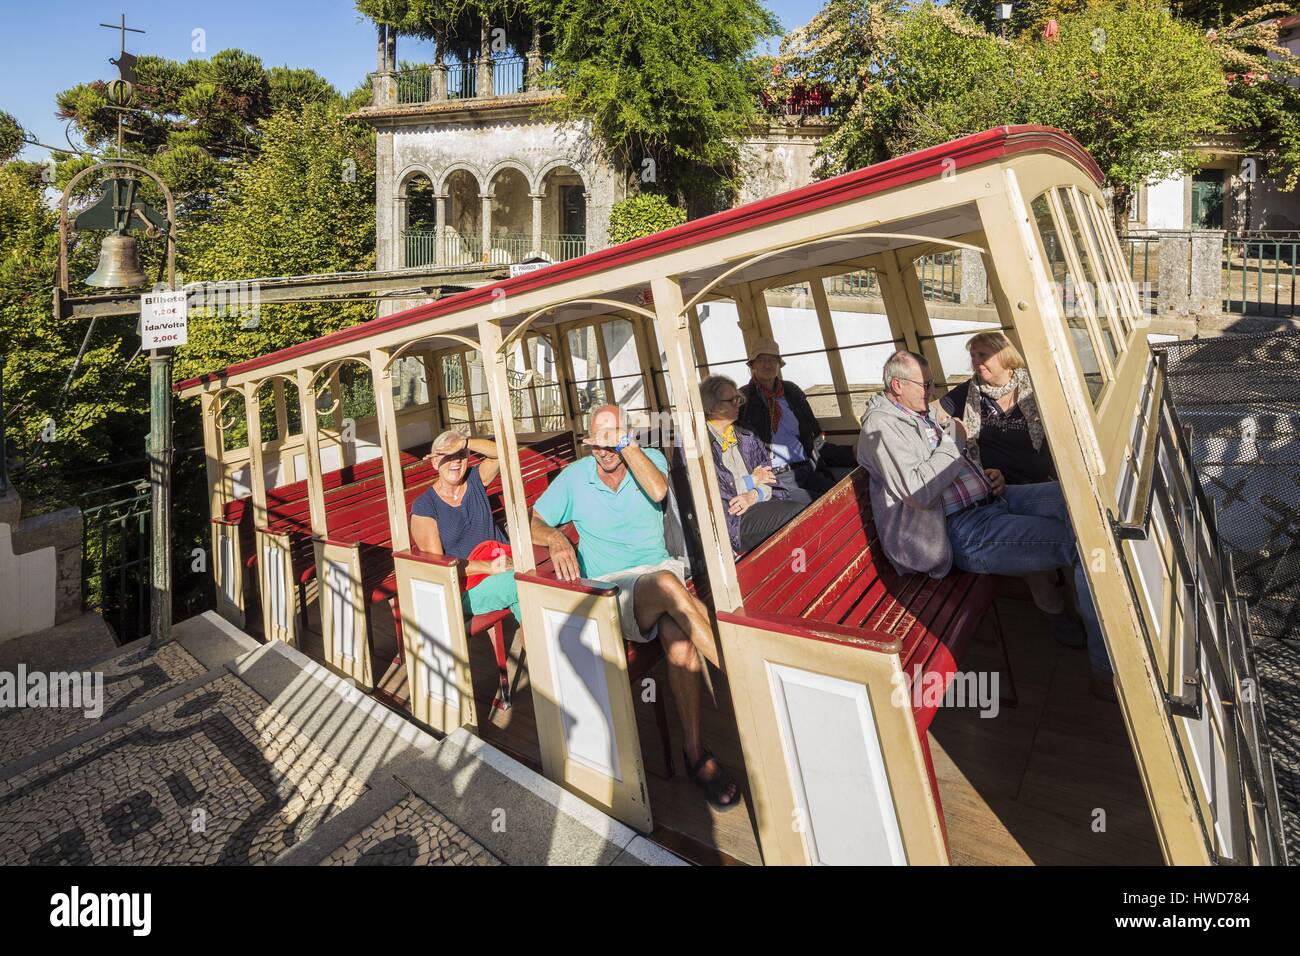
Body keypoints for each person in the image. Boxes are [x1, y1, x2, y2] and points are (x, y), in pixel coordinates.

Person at [856, 351, 1115, 700]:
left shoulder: (915, 412)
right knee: (1083, 545)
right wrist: (955, 442)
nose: (931, 392)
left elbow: (947, 465)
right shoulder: (882, 428)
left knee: (1077, 498)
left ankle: (1096, 615)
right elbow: (920, 490)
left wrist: (985, 476)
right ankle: (1106, 668)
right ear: (898, 385)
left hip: (991, 500)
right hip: (961, 531)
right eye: (925, 384)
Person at [530, 405, 741, 808]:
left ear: (626, 437)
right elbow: (534, 520)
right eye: (596, 442)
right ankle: (743, 683)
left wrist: (626, 445)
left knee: (677, 635)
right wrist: (555, 539)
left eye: (612, 440)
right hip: (615, 591)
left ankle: (695, 753)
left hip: (659, 576)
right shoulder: (574, 479)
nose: (603, 450)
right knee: (666, 586)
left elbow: (659, 491)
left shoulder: (651, 459)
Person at [410, 429, 520, 622]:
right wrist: (489, 567)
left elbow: (504, 452)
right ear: (435, 463)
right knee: (524, 585)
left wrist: (465, 442)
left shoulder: (475, 480)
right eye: (448, 457)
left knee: (530, 594)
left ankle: (537, 647)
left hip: (502, 566)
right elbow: (440, 567)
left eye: (460, 455)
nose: (455, 462)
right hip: (466, 587)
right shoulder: (425, 506)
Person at [738, 337, 854, 505]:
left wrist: (853, 453)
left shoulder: (792, 392)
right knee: (819, 507)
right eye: (762, 360)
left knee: (845, 498)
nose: (767, 365)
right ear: (752, 365)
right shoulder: (743, 399)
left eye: (772, 360)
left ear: (779, 364)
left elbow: (814, 440)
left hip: (807, 469)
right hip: (775, 478)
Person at [700, 374, 805, 553]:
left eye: (738, 399)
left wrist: (754, 494)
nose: (738, 404)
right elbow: (717, 493)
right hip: (733, 519)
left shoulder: (746, 434)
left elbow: (769, 479)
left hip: (758, 503)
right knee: (798, 514)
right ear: (712, 406)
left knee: (809, 506)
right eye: (731, 400)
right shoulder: (701, 444)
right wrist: (753, 480)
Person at [937, 331, 1055, 485]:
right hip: (994, 486)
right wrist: (953, 433)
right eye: (973, 356)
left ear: (1004, 355)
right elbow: (934, 414)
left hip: (1040, 482)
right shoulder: (969, 391)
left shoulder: (1034, 387)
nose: (976, 361)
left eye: (982, 355)